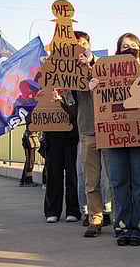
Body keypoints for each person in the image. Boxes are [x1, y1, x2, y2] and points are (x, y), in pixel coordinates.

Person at [90, 33, 140, 246]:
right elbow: (101, 105)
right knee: (119, 184)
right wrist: (94, 89)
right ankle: (122, 228)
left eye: (132, 46)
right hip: (114, 137)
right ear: (118, 50)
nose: (129, 49)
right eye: (124, 46)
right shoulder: (105, 76)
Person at [71, 30, 114, 237]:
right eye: (75, 45)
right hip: (87, 129)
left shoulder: (103, 66)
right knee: (91, 179)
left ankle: (117, 217)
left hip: (108, 128)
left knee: (113, 177)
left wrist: (90, 71)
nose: (80, 48)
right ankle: (94, 218)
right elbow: (72, 104)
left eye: (83, 44)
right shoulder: (70, 71)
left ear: (89, 45)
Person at [44, 89, 80, 223]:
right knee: (53, 174)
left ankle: (73, 209)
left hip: (72, 135)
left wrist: (63, 99)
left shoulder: (74, 86)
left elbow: (76, 111)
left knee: (73, 174)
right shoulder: (46, 87)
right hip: (53, 135)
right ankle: (52, 210)